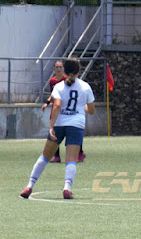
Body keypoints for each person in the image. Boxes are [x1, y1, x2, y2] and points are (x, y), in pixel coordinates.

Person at [20, 58, 95, 199]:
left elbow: (57, 105)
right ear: (79, 70)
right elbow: (91, 110)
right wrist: (81, 108)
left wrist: (51, 126)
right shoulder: (85, 87)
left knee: (45, 156)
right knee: (71, 159)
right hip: (76, 125)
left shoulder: (58, 87)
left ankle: (30, 185)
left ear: (65, 70)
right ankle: (67, 188)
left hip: (60, 124)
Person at [42, 60, 87, 163]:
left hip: (66, 110)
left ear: (64, 69)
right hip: (56, 108)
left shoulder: (67, 80)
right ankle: (56, 156)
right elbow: (53, 95)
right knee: (54, 134)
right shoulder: (52, 81)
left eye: (60, 67)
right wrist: (47, 103)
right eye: (57, 67)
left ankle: (80, 152)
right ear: (54, 69)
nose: (59, 69)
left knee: (72, 133)